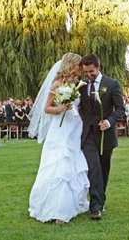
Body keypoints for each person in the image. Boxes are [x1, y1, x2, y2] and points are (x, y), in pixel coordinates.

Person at [28, 53, 89, 225]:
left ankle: (73, 204)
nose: (81, 69)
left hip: (75, 129)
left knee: (74, 164)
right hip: (61, 130)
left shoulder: (77, 85)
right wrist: (61, 108)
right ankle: (58, 210)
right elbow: (47, 108)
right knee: (60, 165)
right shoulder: (57, 84)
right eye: (79, 66)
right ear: (71, 66)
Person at [79, 53, 125, 220]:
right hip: (88, 134)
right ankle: (95, 208)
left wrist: (109, 121)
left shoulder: (112, 84)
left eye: (91, 72)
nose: (89, 76)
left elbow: (120, 109)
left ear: (99, 68)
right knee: (94, 167)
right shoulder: (81, 85)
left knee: (103, 170)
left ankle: (101, 199)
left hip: (106, 135)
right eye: (86, 73)